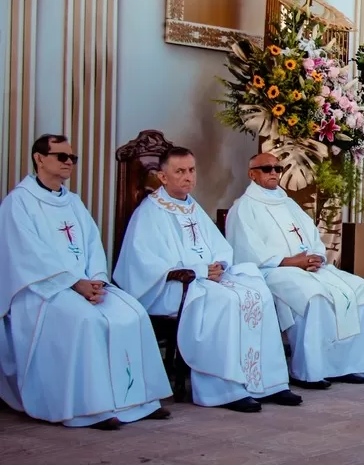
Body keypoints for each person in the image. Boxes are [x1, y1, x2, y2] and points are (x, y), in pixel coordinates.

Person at [0, 134, 172, 430]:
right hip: (41, 291)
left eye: (73, 158)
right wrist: (73, 283)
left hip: (83, 285)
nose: (69, 162)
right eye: (61, 156)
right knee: (85, 321)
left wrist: (96, 280)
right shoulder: (18, 202)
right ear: (39, 158)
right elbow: (27, 255)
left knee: (132, 312)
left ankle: (139, 400)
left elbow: (93, 244)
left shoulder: (73, 202)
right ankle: (91, 408)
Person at [114, 147, 300, 413]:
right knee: (224, 299)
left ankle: (269, 382)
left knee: (257, 290)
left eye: (191, 170)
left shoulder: (192, 207)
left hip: (205, 279)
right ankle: (224, 389)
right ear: (162, 177)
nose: (188, 177)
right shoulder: (150, 212)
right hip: (171, 288)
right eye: (180, 171)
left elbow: (220, 247)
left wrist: (219, 265)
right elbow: (145, 264)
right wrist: (200, 270)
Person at [225, 153, 364, 389]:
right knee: (314, 297)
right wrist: (291, 261)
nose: (274, 172)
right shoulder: (243, 207)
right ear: (252, 174)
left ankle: (346, 365)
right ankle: (310, 371)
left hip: (306, 267)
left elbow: (311, 234)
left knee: (358, 289)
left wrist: (316, 256)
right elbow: (247, 250)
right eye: (267, 168)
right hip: (272, 271)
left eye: (278, 167)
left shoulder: (287, 202)